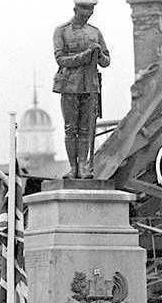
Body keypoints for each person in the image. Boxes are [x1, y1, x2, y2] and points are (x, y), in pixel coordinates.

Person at [53, 0, 110, 179]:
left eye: (91, 10)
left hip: (90, 86)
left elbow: (106, 61)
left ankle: (84, 166)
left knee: (86, 129)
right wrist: (85, 56)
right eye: (85, 9)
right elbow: (61, 59)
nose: (88, 13)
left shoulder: (95, 32)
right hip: (69, 85)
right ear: (75, 8)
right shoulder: (62, 31)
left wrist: (99, 54)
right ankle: (73, 167)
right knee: (71, 128)